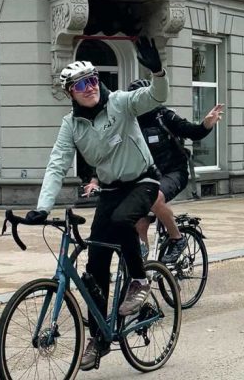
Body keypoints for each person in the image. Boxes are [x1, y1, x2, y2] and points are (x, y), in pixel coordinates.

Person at [26, 36, 166, 371]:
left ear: (98, 81)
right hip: (111, 189)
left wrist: (157, 71)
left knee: (121, 222)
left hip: (143, 181)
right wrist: (43, 207)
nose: (88, 88)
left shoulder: (120, 103)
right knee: (95, 268)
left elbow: (155, 97)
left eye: (91, 81)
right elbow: (57, 164)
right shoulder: (71, 125)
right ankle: (99, 339)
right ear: (69, 93)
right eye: (79, 85)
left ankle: (139, 281)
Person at [82, 80, 224, 263]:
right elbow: (110, 154)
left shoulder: (163, 116)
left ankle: (177, 238)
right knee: (138, 223)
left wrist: (206, 124)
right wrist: (95, 180)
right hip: (146, 176)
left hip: (174, 172)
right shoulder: (127, 120)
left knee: (155, 196)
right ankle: (144, 269)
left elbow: (191, 131)